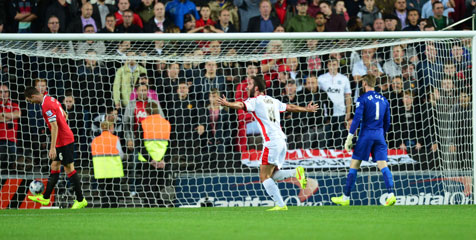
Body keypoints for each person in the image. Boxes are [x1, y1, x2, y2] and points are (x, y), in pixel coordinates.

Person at [217, 75, 317, 211]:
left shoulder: (255, 100)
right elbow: (289, 107)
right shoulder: (272, 100)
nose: (247, 87)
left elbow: (241, 105)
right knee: (272, 175)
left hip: (272, 142)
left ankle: (281, 205)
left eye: (250, 84)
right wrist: (306, 109)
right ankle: (295, 172)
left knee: (264, 177)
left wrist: (228, 104)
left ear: (256, 88)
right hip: (282, 141)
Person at [331, 75, 396, 207]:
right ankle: (391, 195)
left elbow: (356, 119)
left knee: (354, 165)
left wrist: (350, 137)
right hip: (379, 135)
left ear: (365, 83)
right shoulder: (384, 99)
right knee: (383, 165)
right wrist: (381, 135)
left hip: (366, 135)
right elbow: (387, 122)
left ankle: (345, 197)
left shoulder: (363, 99)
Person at [24, 87, 87, 209]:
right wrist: (63, 125)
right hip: (62, 138)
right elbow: (64, 114)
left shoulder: (46, 105)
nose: (30, 103)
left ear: (33, 96)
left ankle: (81, 199)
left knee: (69, 168)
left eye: (29, 100)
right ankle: (46, 197)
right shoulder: (50, 98)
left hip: (63, 140)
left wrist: (52, 148)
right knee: (54, 166)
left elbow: (54, 127)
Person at [91, 121, 124, 208]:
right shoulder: (115, 138)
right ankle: (114, 208)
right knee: (114, 192)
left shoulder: (95, 140)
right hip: (114, 170)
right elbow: (121, 154)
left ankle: (104, 209)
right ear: (111, 128)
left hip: (101, 170)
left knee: (103, 192)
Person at [0, 84, 21, 173]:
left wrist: (3, 115)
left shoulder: (14, 104)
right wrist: (11, 116)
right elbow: (14, 115)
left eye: (5, 92)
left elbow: (18, 114)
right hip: (0, 139)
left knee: (12, 166)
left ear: (9, 93)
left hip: (12, 139)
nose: (3, 94)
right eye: (1, 92)